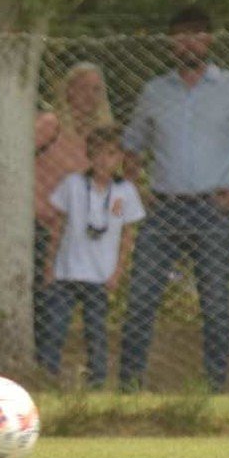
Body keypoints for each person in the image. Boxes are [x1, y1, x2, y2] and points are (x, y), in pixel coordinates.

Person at [119, 7, 229, 393]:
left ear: (209, 40)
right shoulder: (154, 92)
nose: (188, 43)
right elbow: (131, 149)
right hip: (163, 210)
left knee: (216, 305)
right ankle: (128, 388)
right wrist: (139, 190)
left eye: (196, 35)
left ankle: (212, 390)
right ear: (170, 42)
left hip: (215, 211)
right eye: (180, 36)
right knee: (140, 300)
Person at [39, 127, 143, 387]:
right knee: (55, 327)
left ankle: (96, 381)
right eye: (97, 154)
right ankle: (46, 377)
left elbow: (128, 235)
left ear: (119, 157)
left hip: (100, 274)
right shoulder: (73, 184)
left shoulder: (126, 191)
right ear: (89, 155)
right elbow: (57, 225)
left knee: (96, 330)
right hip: (67, 271)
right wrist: (49, 265)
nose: (103, 161)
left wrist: (118, 271)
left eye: (110, 154)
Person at [33, 63, 114, 371]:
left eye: (95, 89)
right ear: (67, 91)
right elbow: (17, 163)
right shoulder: (50, 126)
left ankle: (65, 369)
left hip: (79, 235)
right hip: (40, 224)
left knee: (69, 305)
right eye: (81, 87)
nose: (88, 95)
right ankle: (41, 367)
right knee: (40, 298)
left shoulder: (100, 137)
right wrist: (38, 206)